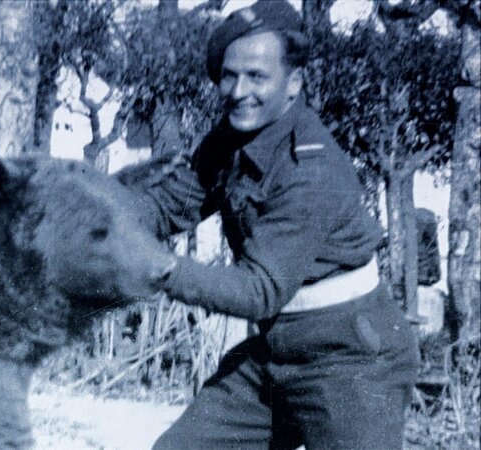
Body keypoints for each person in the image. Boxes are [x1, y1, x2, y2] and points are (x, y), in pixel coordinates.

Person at [123, 2, 419, 449]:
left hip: (352, 362)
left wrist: (157, 266)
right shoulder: (234, 135)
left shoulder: (310, 167)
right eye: (229, 75)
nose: (239, 91)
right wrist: (102, 213)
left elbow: (257, 290)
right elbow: (172, 205)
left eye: (257, 77)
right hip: (276, 354)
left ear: (293, 83)